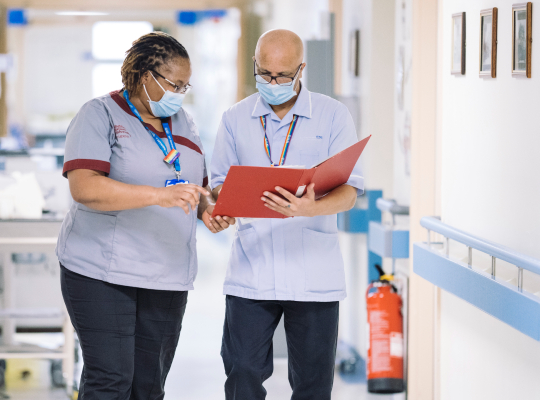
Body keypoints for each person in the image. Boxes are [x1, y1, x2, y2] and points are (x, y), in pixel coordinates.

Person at [56, 32, 235, 399]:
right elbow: (85, 187)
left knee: (149, 386)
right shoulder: (100, 114)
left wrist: (208, 209)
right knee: (111, 380)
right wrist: (157, 196)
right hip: (102, 272)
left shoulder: (183, 122)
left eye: (186, 86)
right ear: (144, 76)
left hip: (166, 274)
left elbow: (194, 186)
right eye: (174, 84)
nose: (180, 94)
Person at [210, 29, 364, 400]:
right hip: (253, 266)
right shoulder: (235, 118)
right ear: (255, 66)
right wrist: (224, 204)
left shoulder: (332, 115)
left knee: (313, 382)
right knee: (242, 371)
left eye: (282, 75)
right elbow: (217, 182)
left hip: (313, 269)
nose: (273, 83)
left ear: (301, 69)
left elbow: (350, 192)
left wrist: (313, 207)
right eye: (265, 74)